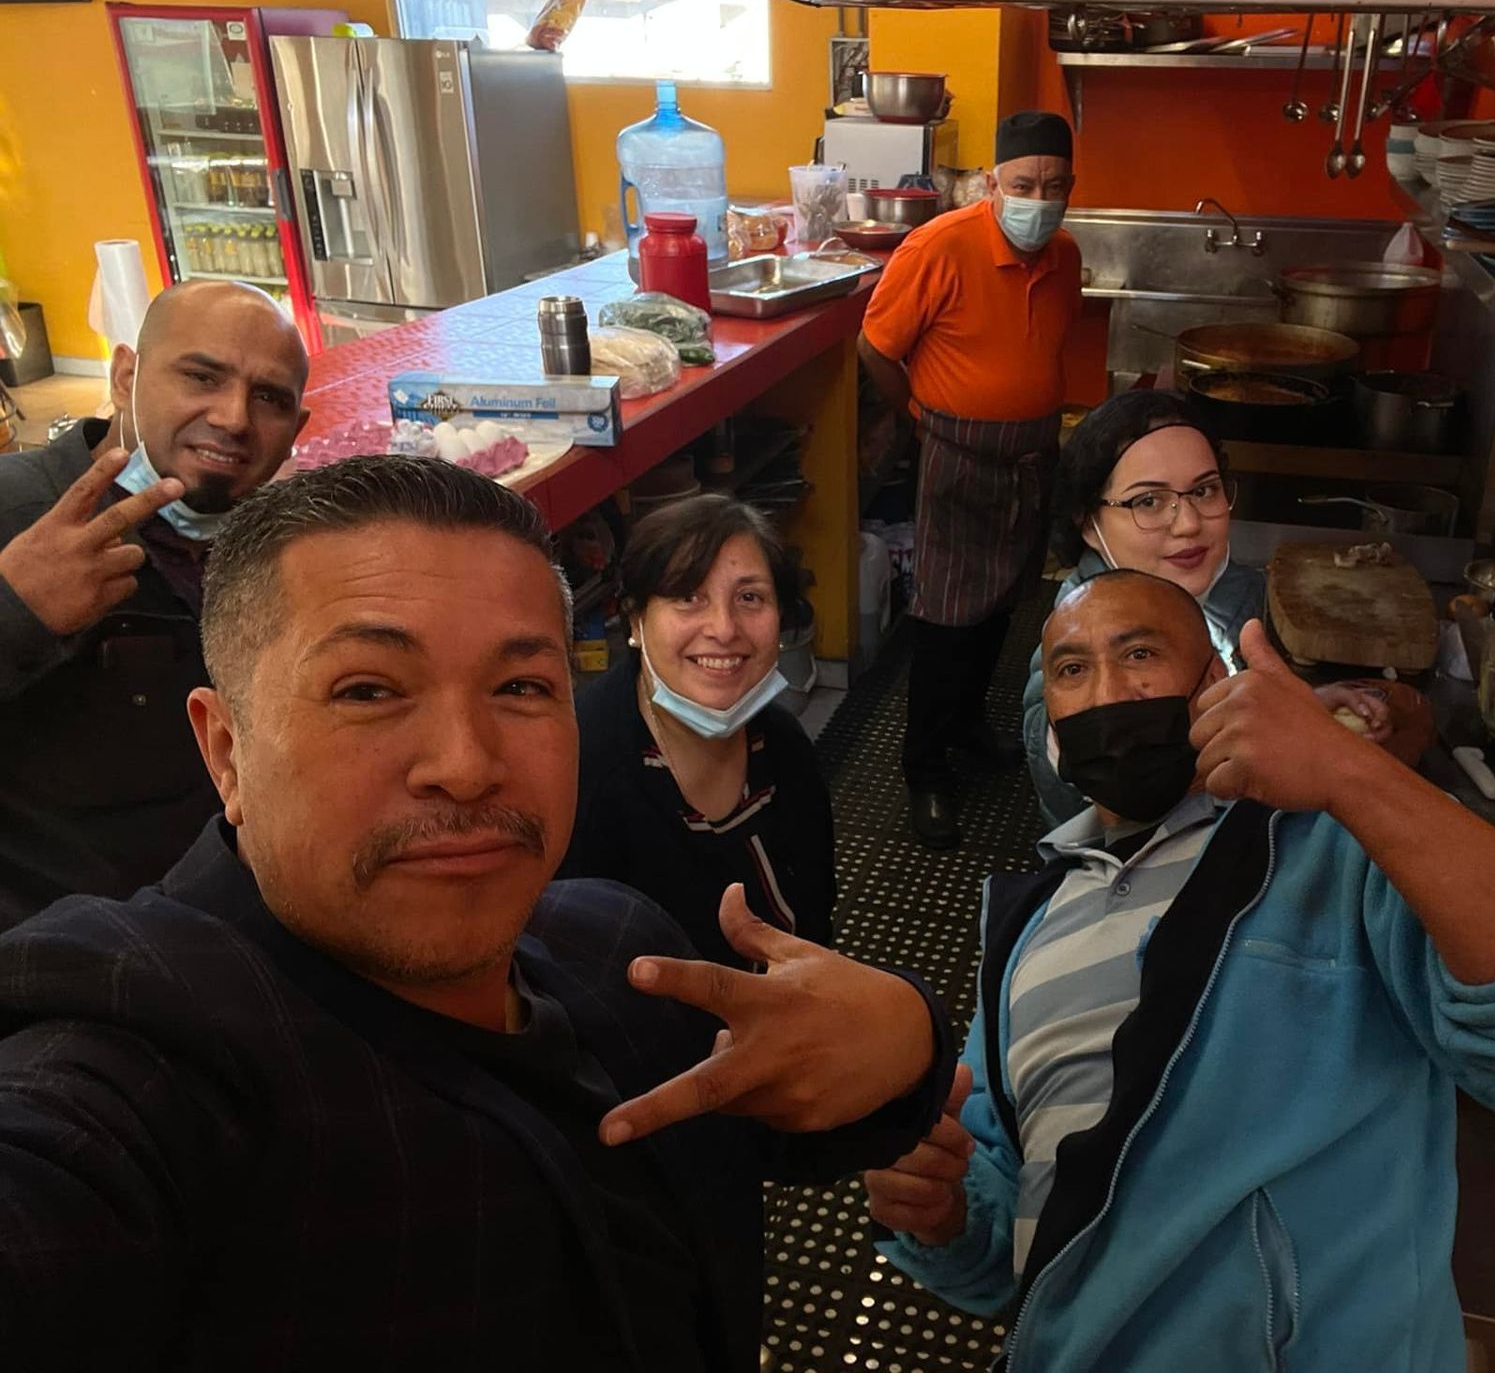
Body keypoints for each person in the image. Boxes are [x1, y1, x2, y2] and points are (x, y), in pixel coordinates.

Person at [0, 456, 953, 1369]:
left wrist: (909, 1042)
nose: (465, 762)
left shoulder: (618, 947)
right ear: (225, 752)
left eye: (520, 687)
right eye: (369, 689)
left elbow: (767, 1116)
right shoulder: (140, 1061)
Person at [866, 570, 1495, 1372]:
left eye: (1140, 652)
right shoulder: (1024, 928)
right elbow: (1014, 1228)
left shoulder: (1339, 849)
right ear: (1051, 720)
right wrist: (941, 1215)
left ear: (1217, 684)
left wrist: (1349, 772)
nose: (1109, 691)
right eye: (1073, 670)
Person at [0, 280, 309, 927]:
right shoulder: (15, 517)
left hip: (248, 932)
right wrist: (14, 612)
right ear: (124, 378)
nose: (233, 417)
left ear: (296, 432)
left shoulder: (282, 546)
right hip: (69, 967)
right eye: (201, 377)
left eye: (270, 398)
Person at [859, 109, 1083, 850]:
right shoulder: (940, 246)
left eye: (1053, 185)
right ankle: (924, 769)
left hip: (1029, 458)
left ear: (1070, 189)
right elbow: (875, 348)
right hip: (956, 454)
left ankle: (969, 728)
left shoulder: (1065, 258)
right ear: (994, 183)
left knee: (1001, 610)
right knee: (947, 617)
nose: (1037, 198)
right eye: (1023, 183)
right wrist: (919, 416)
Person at [1021, 391, 1383, 826]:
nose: (1189, 523)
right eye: (1148, 501)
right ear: (1088, 522)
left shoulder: (1227, 592)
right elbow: (1140, 813)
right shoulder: (1078, 667)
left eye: (1203, 490)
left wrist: (1302, 707)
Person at [562, 493, 836, 965]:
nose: (724, 628)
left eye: (750, 598)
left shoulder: (785, 748)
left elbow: (816, 914)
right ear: (636, 620)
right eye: (688, 597)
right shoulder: (580, 773)